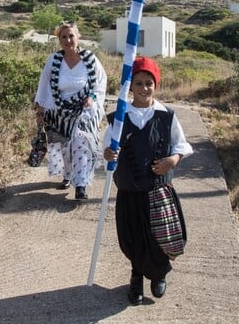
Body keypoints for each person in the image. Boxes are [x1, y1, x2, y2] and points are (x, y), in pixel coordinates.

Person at [102, 56, 193, 305]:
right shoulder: (118, 118)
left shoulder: (167, 116)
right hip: (130, 192)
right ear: (130, 86)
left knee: (158, 237)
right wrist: (109, 153)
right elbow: (106, 148)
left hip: (158, 190)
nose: (144, 88)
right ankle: (136, 278)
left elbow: (181, 145)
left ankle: (159, 274)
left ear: (156, 85)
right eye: (138, 83)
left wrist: (172, 160)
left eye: (148, 83)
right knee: (132, 238)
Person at [34, 21, 107, 200]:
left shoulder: (90, 59)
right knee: (64, 149)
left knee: (82, 145)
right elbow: (44, 86)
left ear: (78, 37)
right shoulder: (54, 60)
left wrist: (92, 98)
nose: (68, 40)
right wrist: (40, 111)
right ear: (59, 40)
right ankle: (67, 175)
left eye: (71, 36)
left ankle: (80, 185)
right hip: (59, 113)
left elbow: (100, 84)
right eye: (63, 37)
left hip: (84, 113)